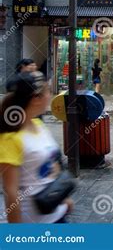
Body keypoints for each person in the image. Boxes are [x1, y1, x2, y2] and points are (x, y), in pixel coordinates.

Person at [0, 71, 73, 223]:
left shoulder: (39, 125)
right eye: (48, 91)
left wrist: (63, 198)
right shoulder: (11, 138)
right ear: (36, 98)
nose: (50, 95)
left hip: (57, 213)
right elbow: (11, 192)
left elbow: (52, 163)